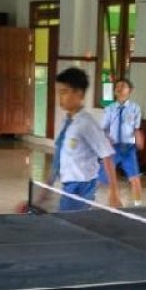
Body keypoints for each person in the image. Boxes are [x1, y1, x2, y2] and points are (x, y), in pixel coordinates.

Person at [48, 67, 121, 211]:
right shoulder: (66, 122)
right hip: (68, 185)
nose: (60, 97)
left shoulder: (87, 123)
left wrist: (114, 192)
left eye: (64, 92)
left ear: (79, 94)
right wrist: (45, 191)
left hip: (82, 187)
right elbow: (58, 159)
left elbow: (106, 155)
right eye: (59, 92)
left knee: (69, 223)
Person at [99, 77, 145, 206]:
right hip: (112, 148)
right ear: (114, 91)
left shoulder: (135, 108)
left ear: (130, 90)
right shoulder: (109, 109)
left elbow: (136, 128)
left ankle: (138, 205)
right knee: (103, 177)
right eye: (117, 87)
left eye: (123, 86)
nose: (119, 89)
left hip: (128, 148)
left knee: (135, 178)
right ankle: (92, 199)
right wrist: (106, 138)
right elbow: (104, 128)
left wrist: (138, 137)